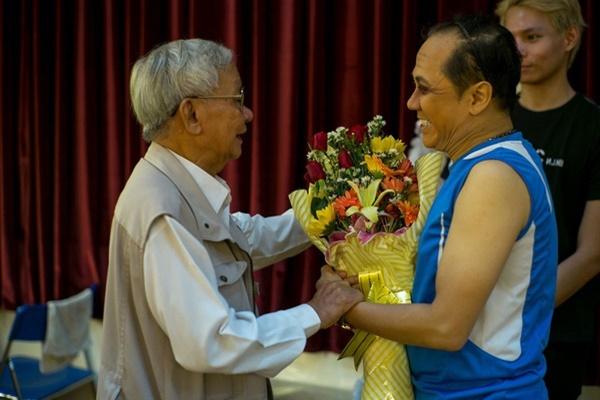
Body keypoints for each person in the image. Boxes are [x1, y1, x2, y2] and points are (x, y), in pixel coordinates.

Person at [97, 38, 363, 400]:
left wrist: (333, 211)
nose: (248, 114)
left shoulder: (173, 185)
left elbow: (242, 238)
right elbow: (211, 340)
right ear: (192, 115)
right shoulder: (162, 210)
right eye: (237, 99)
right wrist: (316, 312)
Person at [326, 15, 558, 398]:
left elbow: (446, 327)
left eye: (424, 88)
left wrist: (340, 307)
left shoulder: (493, 176)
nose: (411, 102)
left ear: (478, 97)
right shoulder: (480, 164)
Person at [495, 1, 600, 398]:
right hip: (477, 323)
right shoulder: (490, 117)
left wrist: (518, 307)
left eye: (532, 37)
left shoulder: (592, 127)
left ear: (569, 38)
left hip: (556, 330)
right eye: (510, 39)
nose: (518, 50)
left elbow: (592, 253)